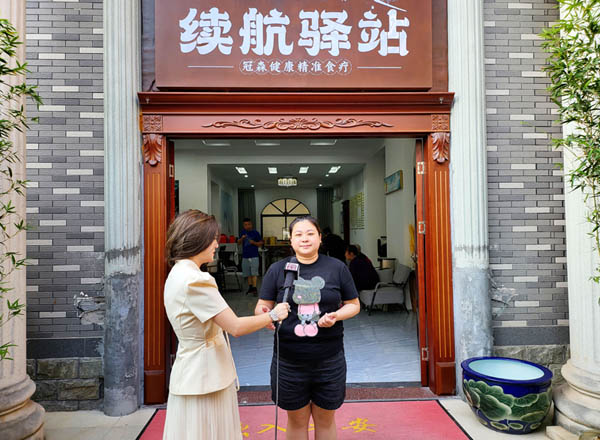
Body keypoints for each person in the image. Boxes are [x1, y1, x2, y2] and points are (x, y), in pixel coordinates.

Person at [162, 210, 290, 440]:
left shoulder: (177, 273)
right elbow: (235, 327)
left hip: (190, 370)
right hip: (206, 375)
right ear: (197, 240)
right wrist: (273, 315)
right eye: (213, 239)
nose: (216, 244)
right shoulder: (197, 280)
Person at [255, 216, 360, 439]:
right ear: (291, 241)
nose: (305, 239)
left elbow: (354, 305)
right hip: (288, 361)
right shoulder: (277, 269)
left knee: (325, 420)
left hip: (329, 360)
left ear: (320, 238)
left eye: (310, 233)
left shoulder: (337, 268)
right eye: (299, 234)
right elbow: (262, 306)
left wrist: (336, 315)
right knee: (296, 421)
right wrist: (266, 316)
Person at [238, 218, 264, 295]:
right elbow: (238, 243)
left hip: (254, 255)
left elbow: (261, 243)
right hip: (245, 256)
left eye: (249, 224)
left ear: (251, 224)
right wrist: (242, 238)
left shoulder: (255, 233)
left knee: (254, 273)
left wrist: (254, 242)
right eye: (245, 225)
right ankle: (250, 287)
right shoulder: (242, 233)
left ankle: (254, 288)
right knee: (247, 273)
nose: (247, 226)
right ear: (243, 226)